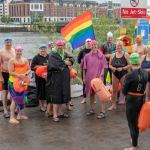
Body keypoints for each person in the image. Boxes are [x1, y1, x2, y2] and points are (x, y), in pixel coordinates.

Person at [123, 53, 150, 150]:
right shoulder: (145, 73)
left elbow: (124, 91)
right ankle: (134, 140)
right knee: (136, 122)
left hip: (132, 100)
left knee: (132, 123)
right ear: (139, 61)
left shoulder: (129, 75)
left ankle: (134, 146)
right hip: (142, 98)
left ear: (131, 62)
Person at [46, 39, 74, 122]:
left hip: (64, 77)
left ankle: (60, 113)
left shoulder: (64, 53)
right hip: (55, 77)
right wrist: (65, 62)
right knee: (56, 96)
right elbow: (55, 64)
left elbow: (72, 59)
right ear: (56, 45)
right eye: (58, 45)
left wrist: (69, 62)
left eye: (61, 45)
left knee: (62, 94)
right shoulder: (52, 54)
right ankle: (55, 114)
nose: (60, 47)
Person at [81, 40, 108, 119]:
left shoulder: (101, 55)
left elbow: (104, 66)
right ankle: (92, 109)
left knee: (101, 95)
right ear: (90, 46)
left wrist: (101, 75)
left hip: (98, 78)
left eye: (95, 45)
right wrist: (84, 77)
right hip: (89, 77)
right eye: (92, 45)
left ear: (97, 45)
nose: (94, 46)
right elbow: (83, 68)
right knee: (91, 94)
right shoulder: (87, 56)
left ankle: (103, 111)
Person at [8, 46, 31, 124]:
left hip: (23, 82)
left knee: (22, 98)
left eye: (20, 51)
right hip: (13, 82)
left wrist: (25, 74)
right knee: (14, 99)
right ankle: (11, 117)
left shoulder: (25, 60)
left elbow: (29, 69)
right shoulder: (12, 60)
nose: (19, 52)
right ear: (15, 51)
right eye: (17, 51)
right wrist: (19, 75)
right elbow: (10, 72)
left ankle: (19, 115)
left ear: (22, 51)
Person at [108, 40, 130, 110]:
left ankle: (127, 104)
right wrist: (113, 68)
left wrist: (123, 68)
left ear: (122, 46)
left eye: (120, 46)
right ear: (116, 47)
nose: (119, 47)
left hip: (123, 74)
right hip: (115, 74)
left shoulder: (126, 54)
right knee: (114, 90)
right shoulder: (112, 55)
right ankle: (113, 105)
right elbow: (109, 65)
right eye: (118, 46)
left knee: (125, 89)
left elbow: (130, 65)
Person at [0, 36, 15, 118]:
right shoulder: (1, 52)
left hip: (12, 74)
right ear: (4, 43)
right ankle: (5, 110)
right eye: (7, 42)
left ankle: (12, 108)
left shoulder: (13, 50)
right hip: (4, 73)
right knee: (4, 93)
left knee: (12, 92)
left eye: (9, 42)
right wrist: (1, 77)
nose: (8, 43)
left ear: (11, 42)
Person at [31, 45, 49, 112]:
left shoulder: (49, 56)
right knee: (40, 91)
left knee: (47, 90)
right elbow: (32, 67)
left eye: (44, 49)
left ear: (46, 49)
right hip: (39, 77)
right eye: (41, 49)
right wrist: (42, 66)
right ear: (39, 50)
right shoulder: (36, 57)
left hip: (48, 77)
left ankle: (47, 104)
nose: (43, 50)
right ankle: (41, 105)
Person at [77, 38, 92, 104]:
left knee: (93, 84)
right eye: (87, 42)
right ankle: (84, 98)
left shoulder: (93, 51)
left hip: (93, 70)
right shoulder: (82, 51)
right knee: (85, 84)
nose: (88, 43)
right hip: (84, 71)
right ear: (85, 43)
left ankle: (92, 98)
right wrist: (82, 66)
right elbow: (78, 61)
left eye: (89, 42)